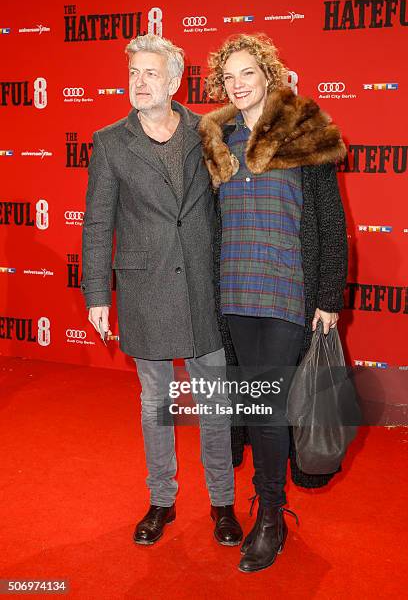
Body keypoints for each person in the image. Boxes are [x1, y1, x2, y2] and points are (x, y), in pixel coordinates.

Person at [81, 34, 242, 548]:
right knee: (156, 403)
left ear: (174, 81)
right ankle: (162, 500)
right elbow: (97, 220)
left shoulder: (207, 130)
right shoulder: (109, 141)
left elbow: (232, 202)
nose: (139, 82)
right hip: (144, 287)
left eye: (151, 74)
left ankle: (222, 502)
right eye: (133, 73)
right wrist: (96, 294)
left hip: (202, 286)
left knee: (214, 403)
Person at [199, 33, 348, 573]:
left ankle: (270, 514)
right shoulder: (216, 138)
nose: (238, 85)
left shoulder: (302, 130)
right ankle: (269, 508)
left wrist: (328, 294)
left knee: (269, 408)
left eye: (248, 73)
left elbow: (330, 221)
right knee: (257, 405)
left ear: (268, 75)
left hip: (287, 290)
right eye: (228, 77)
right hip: (235, 291)